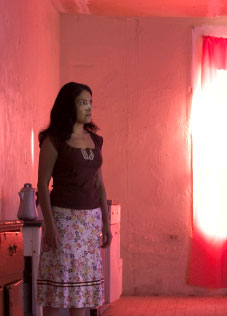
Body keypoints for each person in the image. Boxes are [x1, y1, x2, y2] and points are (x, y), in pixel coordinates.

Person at [37, 82, 112, 316]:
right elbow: (41, 185)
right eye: (83, 102)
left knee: (80, 291)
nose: (89, 107)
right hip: (63, 221)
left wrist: (106, 223)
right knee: (58, 286)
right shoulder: (54, 140)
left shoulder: (96, 141)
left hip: (89, 224)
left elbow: (99, 184)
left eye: (90, 102)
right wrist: (49, 225)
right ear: (69, 106)